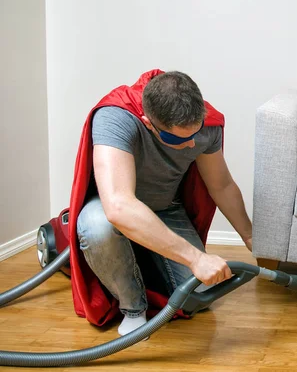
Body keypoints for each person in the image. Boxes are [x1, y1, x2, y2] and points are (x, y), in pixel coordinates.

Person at [73, 70, 252, 336]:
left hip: (165, 208)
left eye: (196, 132)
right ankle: (133, 308)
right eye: (177, 139)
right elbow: (119, 205)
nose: (191, 143)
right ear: (147, 122)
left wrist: (253, 240)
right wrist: (195, 259)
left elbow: (221, 185)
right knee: (96, 227)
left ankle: (140, 264)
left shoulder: (207, 125)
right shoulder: (116, 116)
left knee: (201, 295)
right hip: (111, 210)